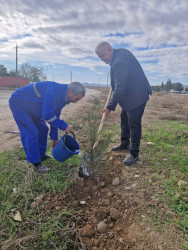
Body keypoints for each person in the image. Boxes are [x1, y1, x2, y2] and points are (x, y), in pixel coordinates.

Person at [95, 41, 152, 166]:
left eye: (103, 55)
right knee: (124, 118)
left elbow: (120, 88)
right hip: (131, 95)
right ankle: (125, 143)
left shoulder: (119, 61)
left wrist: (110, 106)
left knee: (134, 124)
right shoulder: (119, 54)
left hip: (137, 96)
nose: (102, 59)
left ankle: (134, 154)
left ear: (109, 49)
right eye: (99, 57)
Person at [9, 81, 85, 173]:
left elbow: (54, 116)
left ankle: (41, 155)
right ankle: (35, 163)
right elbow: (47, 115)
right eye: (76, 99)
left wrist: (54, 138)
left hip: (33, 107)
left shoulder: (64, 98)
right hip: (19, 104)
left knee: (43, 129)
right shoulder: (54, 90)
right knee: (31, 132)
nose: (76, 102)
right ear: (70, 92)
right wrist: (64, 125)